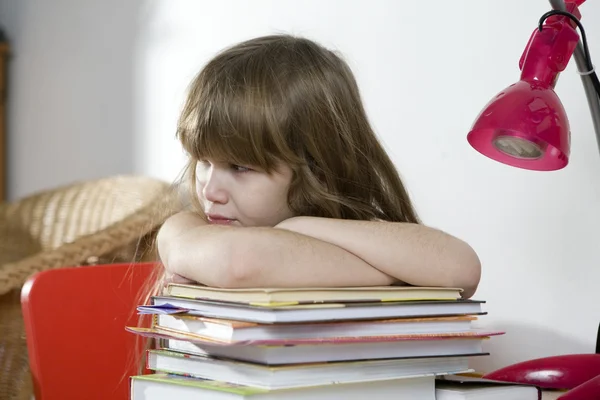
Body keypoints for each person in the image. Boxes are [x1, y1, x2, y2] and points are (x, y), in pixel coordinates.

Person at [155, 34, 481, 299]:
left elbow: (461, 269)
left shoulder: (351, 234)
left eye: (240, 167)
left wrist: (303, 226)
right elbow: (240, 262)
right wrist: (405, 276)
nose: (210, 190)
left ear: (318, 167)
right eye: (203, 161)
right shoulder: (186, 229)